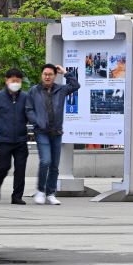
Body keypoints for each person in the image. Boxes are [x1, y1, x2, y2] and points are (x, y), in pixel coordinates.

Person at [25, 63, 81, 205]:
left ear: (55, 76)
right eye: (45, 74)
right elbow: (28, 109)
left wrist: (66, 73)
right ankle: (40, 191)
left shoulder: (61, 89)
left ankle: (50, 193)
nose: (47, 76)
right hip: (41, 131)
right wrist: (36, 121)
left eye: (50, 74)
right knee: (45, 161)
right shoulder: (34, 91)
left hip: (56, 132)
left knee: (55, 165)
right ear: (41, 75)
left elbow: (75, 85)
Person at [0, 69, 30, 205]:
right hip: (4, 139)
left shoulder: (25, 98)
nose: (15, 83)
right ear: (6, 81)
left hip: (20, 139)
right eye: (13, 80)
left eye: (18, 81)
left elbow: (28, 115)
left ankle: (17, 196)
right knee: (4, 166)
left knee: (20, 168)